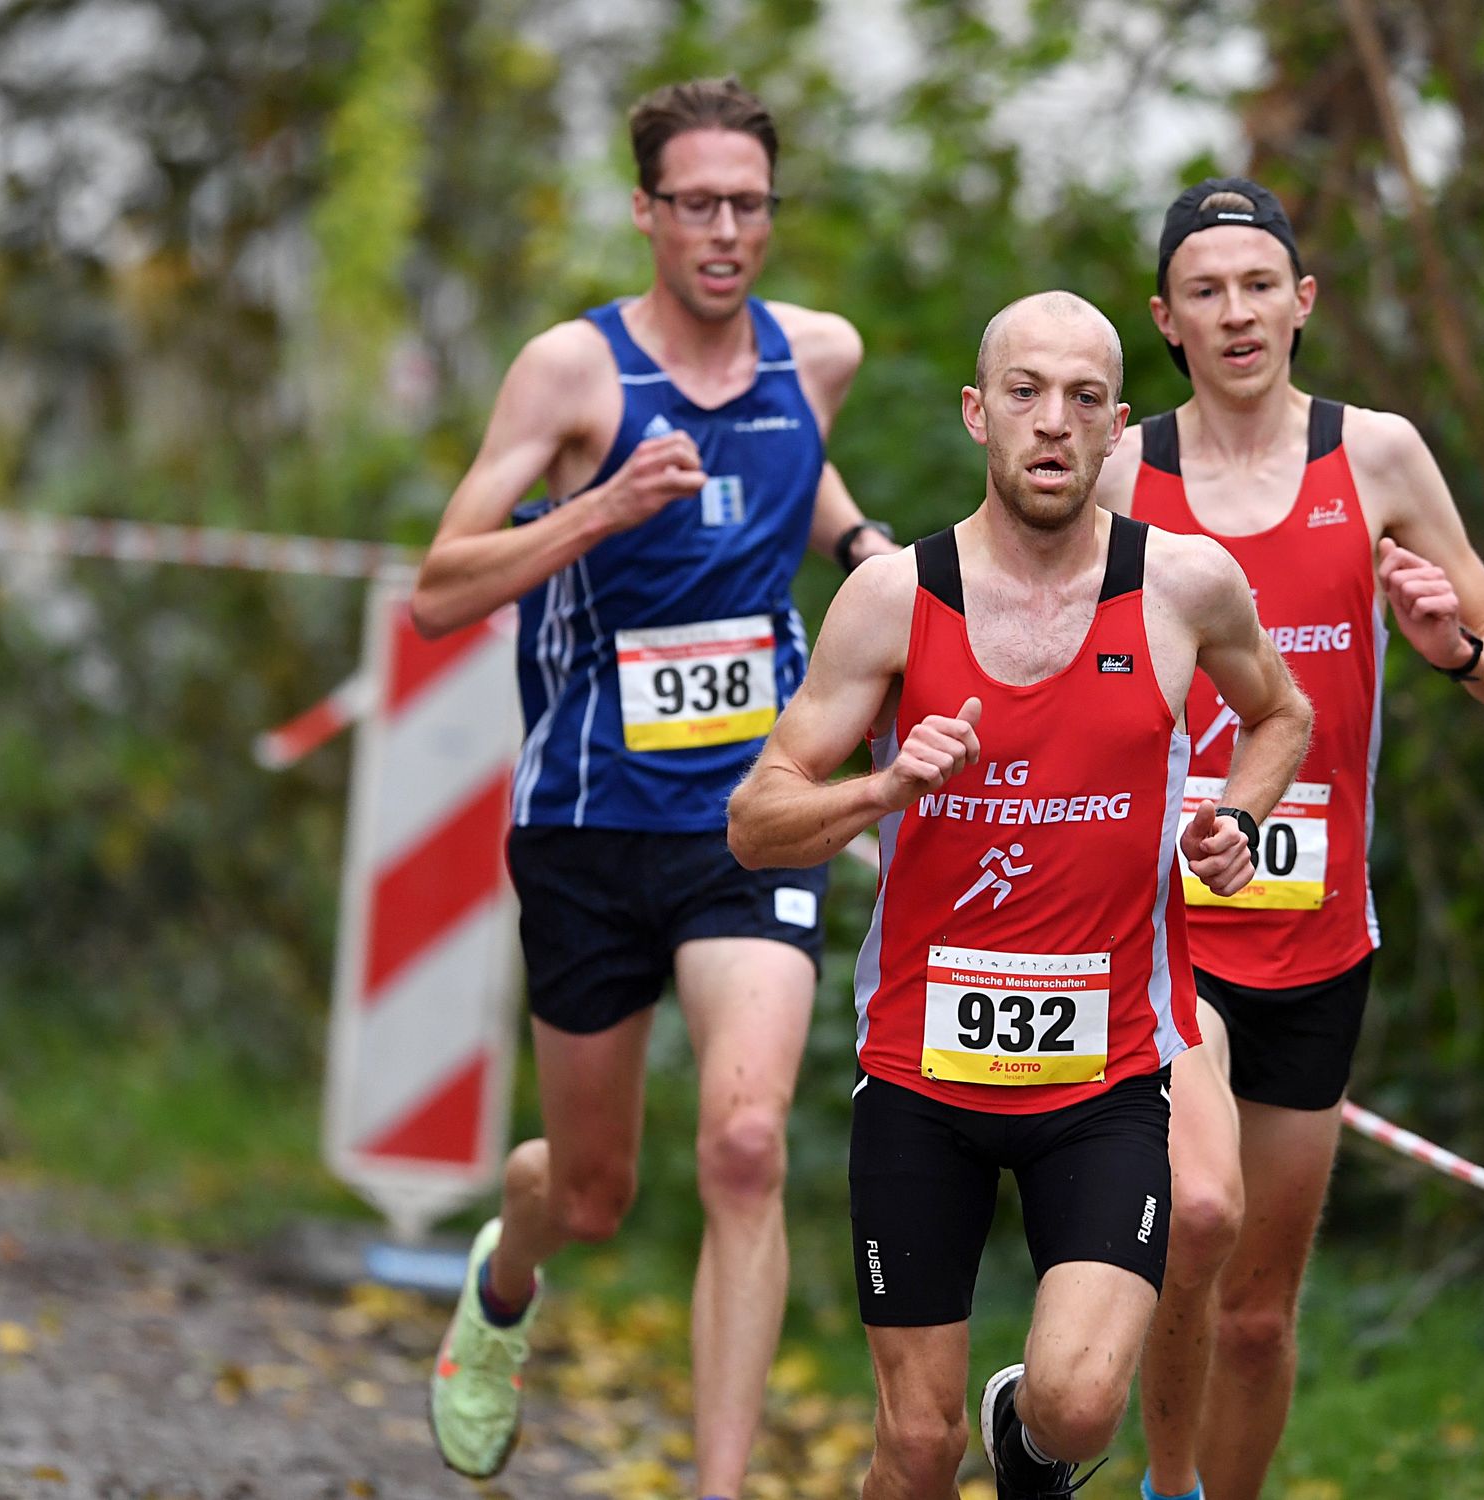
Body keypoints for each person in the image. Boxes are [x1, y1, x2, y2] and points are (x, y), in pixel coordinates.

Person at [726, 290, 1313, 1500]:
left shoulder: (1183, 585)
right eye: (1026, 394)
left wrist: (1242, 821)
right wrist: (884, 787)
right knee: (915, 1448)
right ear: (976, 414)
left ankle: (1030, 1440)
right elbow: (754, 820)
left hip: (1105, 1077)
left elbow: (1282, 714)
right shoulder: (895, 598)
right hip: (919, 1075)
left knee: (1079, 1406)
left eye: (1085, 398)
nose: (1053, 422)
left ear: (1116, 429)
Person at [410, 77, 898, 1494]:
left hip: (753, 812)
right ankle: (508, 1266)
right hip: (587, 820)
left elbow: (788, 462)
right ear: (645, 211)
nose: (726, 230)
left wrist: (858, 541)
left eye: (749, 204)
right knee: (593, 1192)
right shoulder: (573, 374)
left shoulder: (818, 354)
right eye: (698, 204)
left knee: (745, 1145)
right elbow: (441, 590)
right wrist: (602, 507)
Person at [1094, 178, 1484, 1499]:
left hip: (1316, 941)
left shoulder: (1379, 456)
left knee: (1254, 1312)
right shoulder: (1125, 470)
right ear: (1167, 321)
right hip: (1161, 930)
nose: (1235, 313)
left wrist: (1449, 646)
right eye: (1205, 291)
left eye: (1257, 286)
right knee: (1195, 1220)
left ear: (1301, 302)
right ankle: (1165, 1484)